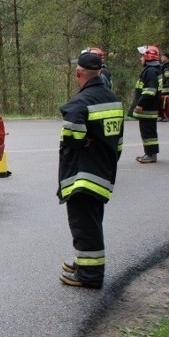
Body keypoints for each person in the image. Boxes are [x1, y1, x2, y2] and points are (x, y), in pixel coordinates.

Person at [58, 52, 124, 289]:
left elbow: (70, 138)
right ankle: (83, 263)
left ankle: (90, 276)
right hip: (103, 173)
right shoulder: (113, 100)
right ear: (100, 71)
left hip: (82, 178)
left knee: (84, 224)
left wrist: (80, 139)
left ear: (78, 73)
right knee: (92, 222)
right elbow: (118, 144)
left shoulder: (80, 104)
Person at [129, 45, 162, 163]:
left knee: (148, 131)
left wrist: (140, 104)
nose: (140, 59)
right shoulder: (154, 69)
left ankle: (151, 154)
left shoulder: (151, 71)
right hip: (149, 108)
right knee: (148, 131)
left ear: (148, 56)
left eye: (142, 56)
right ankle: (149, 153)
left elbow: (149, 91)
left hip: (147, 108)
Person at [159, 52, 169, 121]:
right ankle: (162, 116)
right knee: (161, 102)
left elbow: (166, 77)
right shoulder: (162, 66)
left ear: (166, 57)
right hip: (162, 87)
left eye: (162, 56)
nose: (161, 58)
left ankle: (167, 116)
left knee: (167, 102)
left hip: (167, 87)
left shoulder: (167, 67)